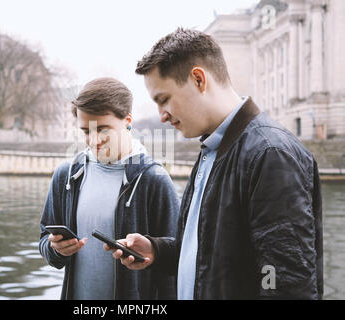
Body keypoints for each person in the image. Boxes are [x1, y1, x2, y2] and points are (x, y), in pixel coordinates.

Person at [106, 28, 323, 300]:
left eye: (164, 99)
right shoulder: (213, 149)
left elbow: (286, 282)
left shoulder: (270, 154)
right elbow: (215, 257)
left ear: (198, 79)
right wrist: (157, 250)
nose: (162, 115)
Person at [39, 77, 180, 300]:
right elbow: (45, 244)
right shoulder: (65, 175)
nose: (94, 141)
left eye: (103, 130)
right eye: (86, 131)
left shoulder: (154, 179)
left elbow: (177, 259)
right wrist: (56, 249)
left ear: (128, 121)